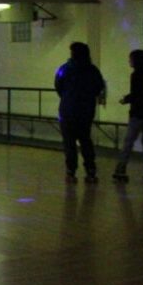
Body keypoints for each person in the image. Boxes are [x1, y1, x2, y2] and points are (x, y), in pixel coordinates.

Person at [54, 41, 106, 183]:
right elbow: (99, 87)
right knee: (85, 140)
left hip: (68, 110)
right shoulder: (92, 70)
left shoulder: (65, 69)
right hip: (86, 110)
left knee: (69, 142)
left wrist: (67, 97)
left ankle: (71, 171)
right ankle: (90, 170)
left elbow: (58, 86)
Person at [113, 49, 143, 184]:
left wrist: (125, 100)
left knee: (129, 141)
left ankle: (121, 168)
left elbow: (137, 94)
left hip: (138, 114)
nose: (129, 61)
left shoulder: (136, 75)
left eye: (131, 59)